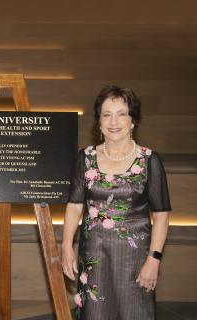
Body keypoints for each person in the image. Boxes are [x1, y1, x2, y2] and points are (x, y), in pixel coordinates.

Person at [61, 85, 171, 319]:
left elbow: (161, 215)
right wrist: (66, 246)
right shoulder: (86, 158)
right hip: (94, 258)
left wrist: (154, 259)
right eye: (106, 114)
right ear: (99, 122)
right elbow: (74, 206)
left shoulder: (149, 160)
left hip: (135, 260)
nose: (114, 121)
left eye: (121, 114)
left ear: (133, 121)